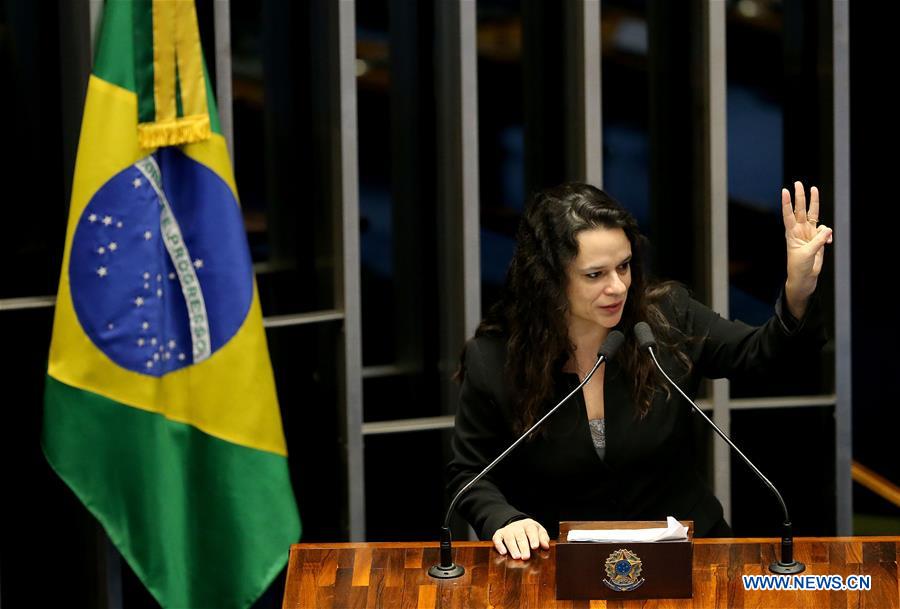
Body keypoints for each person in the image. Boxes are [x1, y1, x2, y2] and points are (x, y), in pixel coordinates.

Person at [446, 182, 832, 560]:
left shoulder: (666, 319)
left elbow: (763, 355)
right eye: (595, 275)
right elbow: (470, 473)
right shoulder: (496, 358)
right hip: (566, 569)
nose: (618, 287)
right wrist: (505, 520)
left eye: (625, 266)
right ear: (547, 279)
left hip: (690, 559)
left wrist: (799, 290)